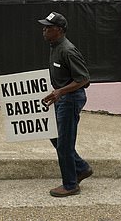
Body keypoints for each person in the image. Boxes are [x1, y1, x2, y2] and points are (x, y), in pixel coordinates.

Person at [38, 11, 93, 197]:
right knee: (54, 135)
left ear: (59, 30)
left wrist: (60, 91)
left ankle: (70, 185)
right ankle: (81, 168)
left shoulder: (67, 50)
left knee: (64, 144)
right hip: (62, 98)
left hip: (71, 99)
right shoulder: (54, 45)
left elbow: (84, 78)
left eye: (48, 27)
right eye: (44, 27)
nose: (44, 30)